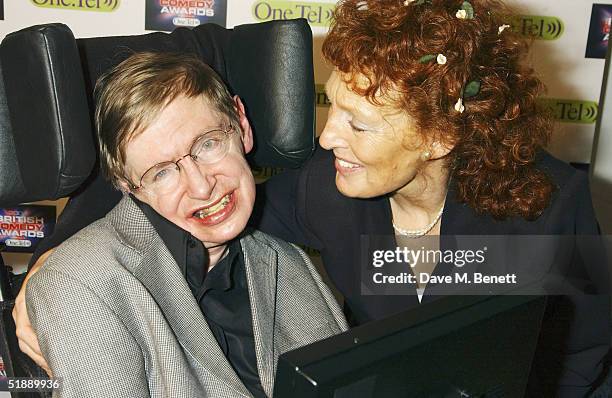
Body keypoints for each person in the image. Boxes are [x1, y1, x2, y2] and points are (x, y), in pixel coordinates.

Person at [14, 0, 610, 395]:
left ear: (439, 135)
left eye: (360, 125)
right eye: (334, 108)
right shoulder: (330, 192)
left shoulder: (546, 205)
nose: (326, 138)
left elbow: (584, 351)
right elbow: (180, 189)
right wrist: (50, 264)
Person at [23, 51, 347, 397]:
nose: (201, 186)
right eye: (161, 172)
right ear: (128, 186)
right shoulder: (81, 284)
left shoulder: (286, 259)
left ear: (241, 125)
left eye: (208, 144)